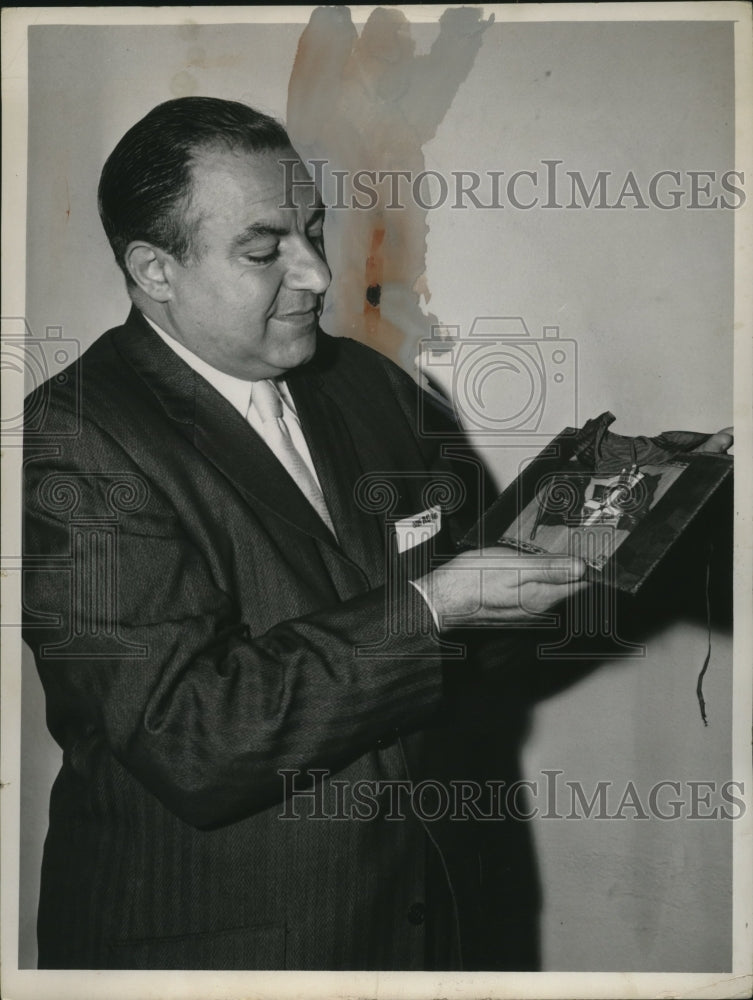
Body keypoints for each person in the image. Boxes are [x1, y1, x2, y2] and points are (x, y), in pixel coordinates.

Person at [21, 97, 730, 972]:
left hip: (421, 931)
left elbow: (471, 638)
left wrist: (609, 522)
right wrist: (430, 607)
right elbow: (190, 739)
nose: (317, 273)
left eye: (313, 230)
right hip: (223, 955)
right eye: (264, 248)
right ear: (153, 269)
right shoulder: (79, 436)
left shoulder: (364, 384)